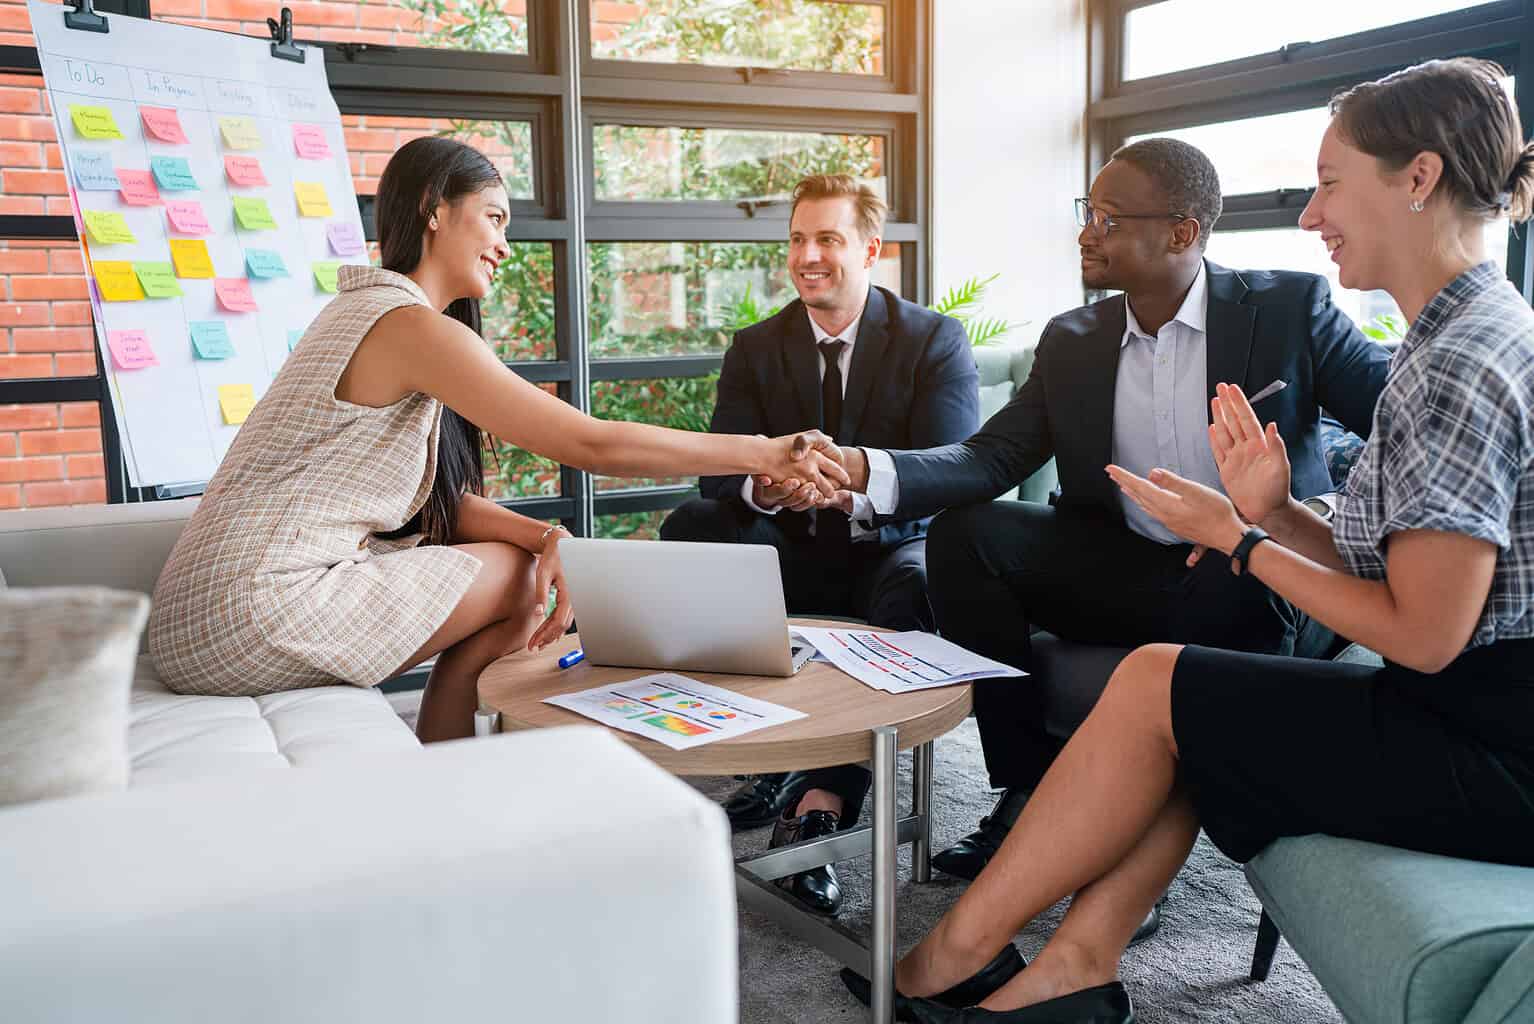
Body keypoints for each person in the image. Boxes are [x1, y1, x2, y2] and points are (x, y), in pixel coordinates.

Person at [845, 56, 1534, 1023]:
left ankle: (959, 955)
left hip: (1491, 740)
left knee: (1172, 679)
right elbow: (1410, 565)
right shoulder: (1452, 337)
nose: (1310, 215)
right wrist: (1281, 513)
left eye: (1330, 184)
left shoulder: (1455, 358)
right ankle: (1067, 961)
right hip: (1452, 703)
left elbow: (1425, 634)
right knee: (1175, 682)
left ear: (1417, 180)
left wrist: (1243, 541)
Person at [833, 138, 1392, 930]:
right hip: (1125, 566)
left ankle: (1129, 843)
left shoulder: (1291, 309)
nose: (1086, 233)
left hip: (1253, 573)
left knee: (1225, 580)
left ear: (1180, 232)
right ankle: (1028, 789)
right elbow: (991, 457)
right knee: (967, 535)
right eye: (1085, 214)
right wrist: (862, 469)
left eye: (1107, 217)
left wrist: (1307, 519)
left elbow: (1404, 427)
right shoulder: (1074, 339)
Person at [147, 137, 846, 743]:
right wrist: (763, 450)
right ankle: (452, 777)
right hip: (249, 614)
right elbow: (590, 444)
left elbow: (434, 508)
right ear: (434, 208)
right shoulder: (409, 326)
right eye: (493, 217)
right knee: (515, 584)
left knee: (520, 564)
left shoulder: (366, 314)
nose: (506, 245)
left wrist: (547, 539)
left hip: (201, 613)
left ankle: (447, 762)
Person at [660, 173, 980, 914]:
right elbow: (718, 470)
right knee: (695, 527)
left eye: (828, 239)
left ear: (870, 249)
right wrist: (765, 486)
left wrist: (854, 490)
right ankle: (761, 750)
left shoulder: (934, 339)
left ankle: (820, 805)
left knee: (920, 579)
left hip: (887, 548)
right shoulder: (756, 346)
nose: (809, 255)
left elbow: (950, 471)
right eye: (798, 239)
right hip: (789, 549)